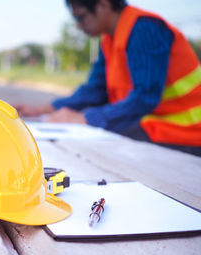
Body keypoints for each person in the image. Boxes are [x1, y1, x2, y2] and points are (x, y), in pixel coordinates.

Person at [15, 0, 201, 156]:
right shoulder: (110, 39)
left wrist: (86, 118)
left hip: (187, 132)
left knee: (97, 151)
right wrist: (41, 110)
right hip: (157, 125)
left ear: (103, 6)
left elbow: (145, 97)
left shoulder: (145, 28)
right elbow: (95, 90)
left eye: (80, 17)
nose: (78, 25)